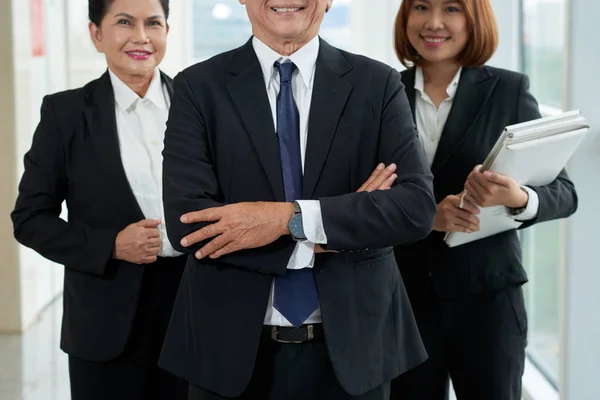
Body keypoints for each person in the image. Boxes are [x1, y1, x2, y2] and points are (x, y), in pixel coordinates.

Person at [157, 0, 437, 399]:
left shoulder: (378, 83)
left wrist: (287, 219)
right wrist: (341, 224)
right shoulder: (198, 87)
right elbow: (192, 226)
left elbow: (414, 209)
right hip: (227, 348)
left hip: (356, 349)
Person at [389, 1, 578, 399]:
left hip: (487, 299)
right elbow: (362, 195)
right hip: (402, 298)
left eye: (452, 8)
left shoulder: (508, 89)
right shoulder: (382, 91)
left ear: (475, 20)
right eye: (421, 6)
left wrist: (518, 197)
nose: (434, 22)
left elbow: (564, 193)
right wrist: (427, 216)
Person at [10, 1, 188, 399]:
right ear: (96, 34)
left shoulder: (198, 107)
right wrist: (110, 245)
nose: (141, 37)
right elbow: (30, 218)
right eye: (124, 22)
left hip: (193, 313)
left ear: (166, 33)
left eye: (153, 23)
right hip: (104, 319)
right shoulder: (66, 113)